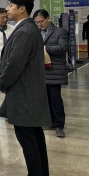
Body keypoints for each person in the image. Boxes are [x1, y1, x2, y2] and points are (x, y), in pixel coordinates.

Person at [0, 0, 51, 176]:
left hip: (24, 93)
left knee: (27, 138)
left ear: (22, 9)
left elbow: (15, 63)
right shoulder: (28, 28)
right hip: (30, 92)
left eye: (11, 5)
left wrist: (3, 82)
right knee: (35, 137)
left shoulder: (25, 31)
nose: (7, 9)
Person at [33, 9, 69, 138]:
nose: (39, 24)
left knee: (55, 98)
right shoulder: (36, 32)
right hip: (40, 70)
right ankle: (50, 121)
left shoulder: (60, 32)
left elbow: (63, 48)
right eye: (37, 22)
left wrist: (43, 49)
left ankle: (59, 125)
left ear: (48, 18)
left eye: (41, 21)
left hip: (54, 70)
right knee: (46, 98)